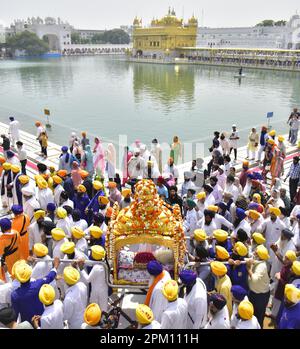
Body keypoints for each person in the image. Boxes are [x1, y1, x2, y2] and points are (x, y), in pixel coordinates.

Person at [11, 258, 59, 323]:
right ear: (30, 274)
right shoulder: (38, 284)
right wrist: (55, 266)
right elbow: (49, 277)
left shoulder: (14, 295)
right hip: (41, 321)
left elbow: (15, 315)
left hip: (27, 325)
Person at [78, 245, 108, 312]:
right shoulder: (103, 263)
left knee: (95, 311)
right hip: (103, 290)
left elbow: (88, 279)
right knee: (103, 311)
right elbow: (91, 263)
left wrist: (81, 268)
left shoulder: (97, 267)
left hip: (97, 292)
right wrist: (84, 261)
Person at [247, 245, 270, 328]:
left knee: (259, 317)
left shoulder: (262, 266)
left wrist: (249, 268)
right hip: (254, 293)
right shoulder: (257, 261)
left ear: (259, 255)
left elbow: (255, 279)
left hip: (260, 296)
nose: (254, 252)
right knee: (252, 315)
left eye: (256, 252)